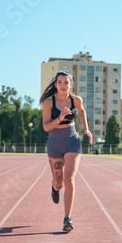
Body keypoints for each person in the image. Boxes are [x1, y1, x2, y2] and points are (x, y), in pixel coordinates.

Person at [40, 71, 93, 232]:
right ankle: (54, 188)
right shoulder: (49, 102)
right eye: (60, 82)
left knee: (69, 180)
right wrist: (60, 118)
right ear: (56, 85)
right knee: (59, 182)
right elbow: (46, 127)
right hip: (55, 144)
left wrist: (87, 129)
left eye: (66, 82)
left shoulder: (76, 100)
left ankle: (67, 218)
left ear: (71, 85)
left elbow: (82, 111)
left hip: (72, 142)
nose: (63, 85)